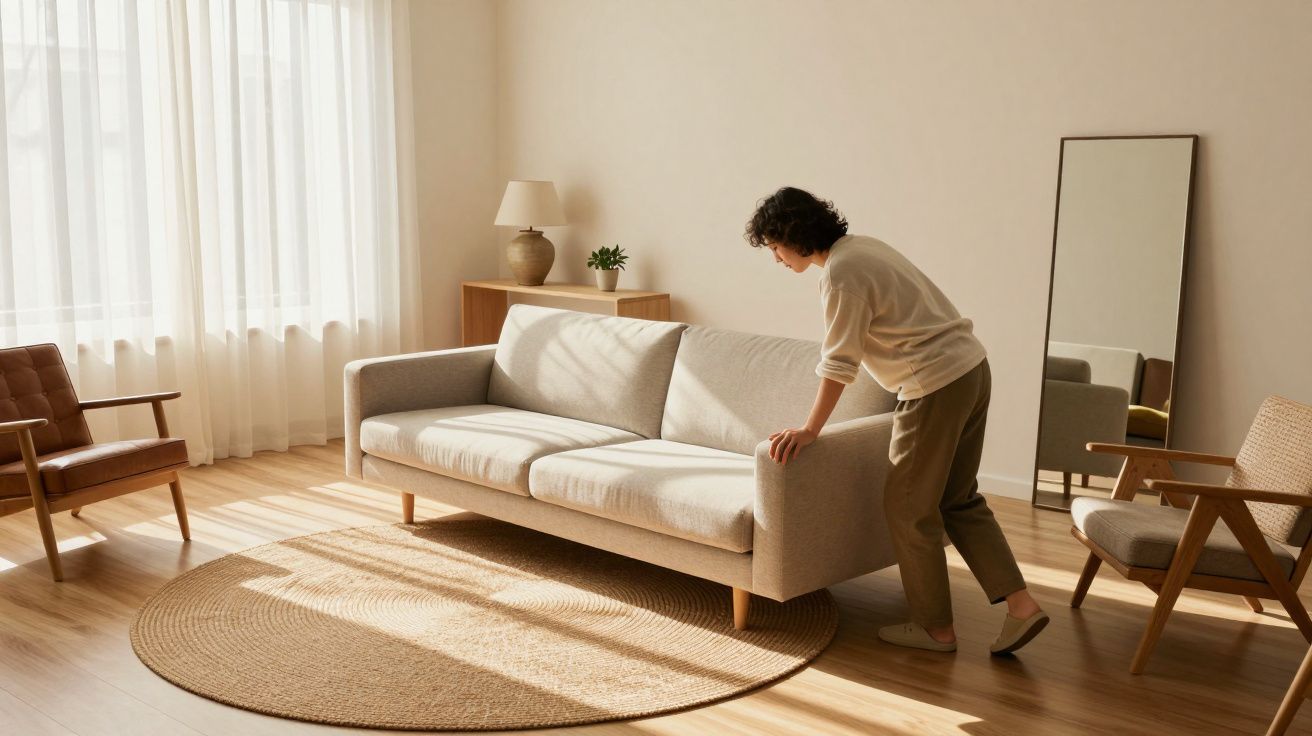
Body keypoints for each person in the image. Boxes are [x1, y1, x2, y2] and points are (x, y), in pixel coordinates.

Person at [746, 186, 1048, 655]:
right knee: (959, 498)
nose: (776, 258)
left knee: (908, 508)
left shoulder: (841, 274)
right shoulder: (865, 247)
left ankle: (935, 629)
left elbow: (839, 363)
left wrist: (810, 430)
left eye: (775, 246)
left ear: (794, 234)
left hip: (933, 387)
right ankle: (1021, 606)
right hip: (971, 369)